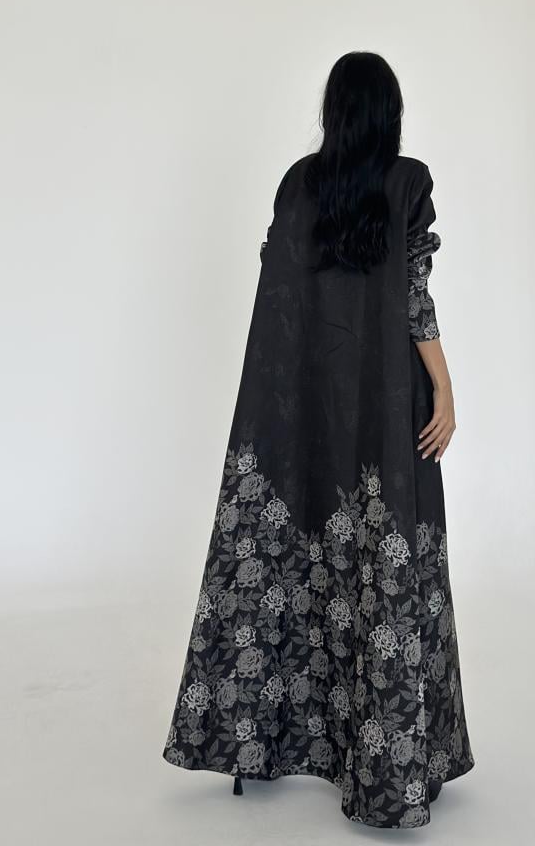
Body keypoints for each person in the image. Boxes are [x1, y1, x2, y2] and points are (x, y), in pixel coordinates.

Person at [162, 51, 475, 828]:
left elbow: (281, 301)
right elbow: (413, 299)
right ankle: (389, 766)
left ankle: (263, 740)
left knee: (293, 564)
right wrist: (444, 386)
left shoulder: (299, 185)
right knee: (388, 560)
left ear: (333, 112)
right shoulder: (406, 182)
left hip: (303, 417)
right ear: (389, 114)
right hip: (385, 411)